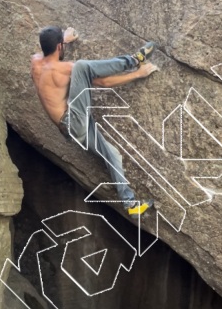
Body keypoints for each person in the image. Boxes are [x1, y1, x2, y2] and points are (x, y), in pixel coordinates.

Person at [31, 25, 158, 217]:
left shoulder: (35, 63)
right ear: (59, 47)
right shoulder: (67, 69)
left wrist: (62, 40)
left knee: (112, 154)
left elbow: (46, 53)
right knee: (82, 66)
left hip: (69, 129)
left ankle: (130, 203)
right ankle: (133, 60)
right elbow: (103, 82)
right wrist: (138, 73)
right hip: (74, 121)